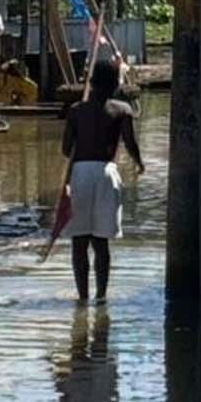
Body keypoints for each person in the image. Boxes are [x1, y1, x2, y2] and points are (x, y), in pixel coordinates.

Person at [59, 57, 144, 304]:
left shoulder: (76, 111)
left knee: (79, 241)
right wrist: (140, 164)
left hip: (80, 174)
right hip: (106, 173)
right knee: (101, 242)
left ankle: (82, 297)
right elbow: (130, 143)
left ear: (92, 82)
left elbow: (66, 149)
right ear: (115, 84)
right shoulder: (122, 109)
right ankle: (101, 297)